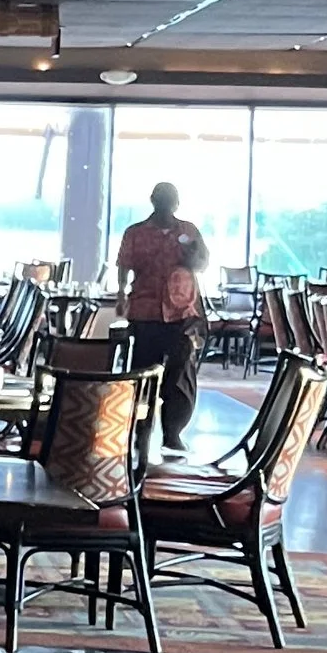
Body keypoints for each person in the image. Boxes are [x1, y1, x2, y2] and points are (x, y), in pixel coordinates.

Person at [116, 179, 209, 451]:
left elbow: (202, 264)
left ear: (177, 204)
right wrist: (121, 295)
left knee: (181, 376)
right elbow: (124, 265)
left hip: (182, 311)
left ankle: (173, 432)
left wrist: (193, 256)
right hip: (145, 311)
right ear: (153, 201)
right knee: (142, 373)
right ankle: (139, 429)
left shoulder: (189, 231)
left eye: (170, 200)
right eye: (161, 199)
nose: (166, 204)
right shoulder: (135, 232)